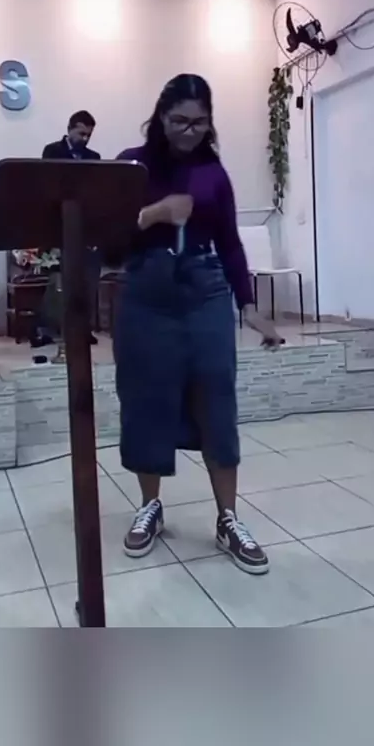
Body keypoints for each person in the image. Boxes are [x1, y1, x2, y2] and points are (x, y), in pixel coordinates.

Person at [114, 74, 283, 574]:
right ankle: (150, 506)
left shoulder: (214, 174)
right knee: (145, 398)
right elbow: (108, 236)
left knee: (216, 398)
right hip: (146, 293)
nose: (189, 131)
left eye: (200, 122)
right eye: (179, 121)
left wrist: (248, 306)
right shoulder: (131, 166)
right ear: (160, 116)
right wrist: (156, 212)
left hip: (205, 291)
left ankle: (228, 518)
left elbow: (230, 242)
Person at [40, 110, 101, 347]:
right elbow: (47, 184)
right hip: (58, 222)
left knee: (87, 280)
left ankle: (83, 328)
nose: (85, 139)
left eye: (89, 135)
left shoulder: (93, 157)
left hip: (85, 224)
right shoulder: (52, 151)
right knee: (59, 281)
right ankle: (53, 328)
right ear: (69, 129)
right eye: (81, 133)